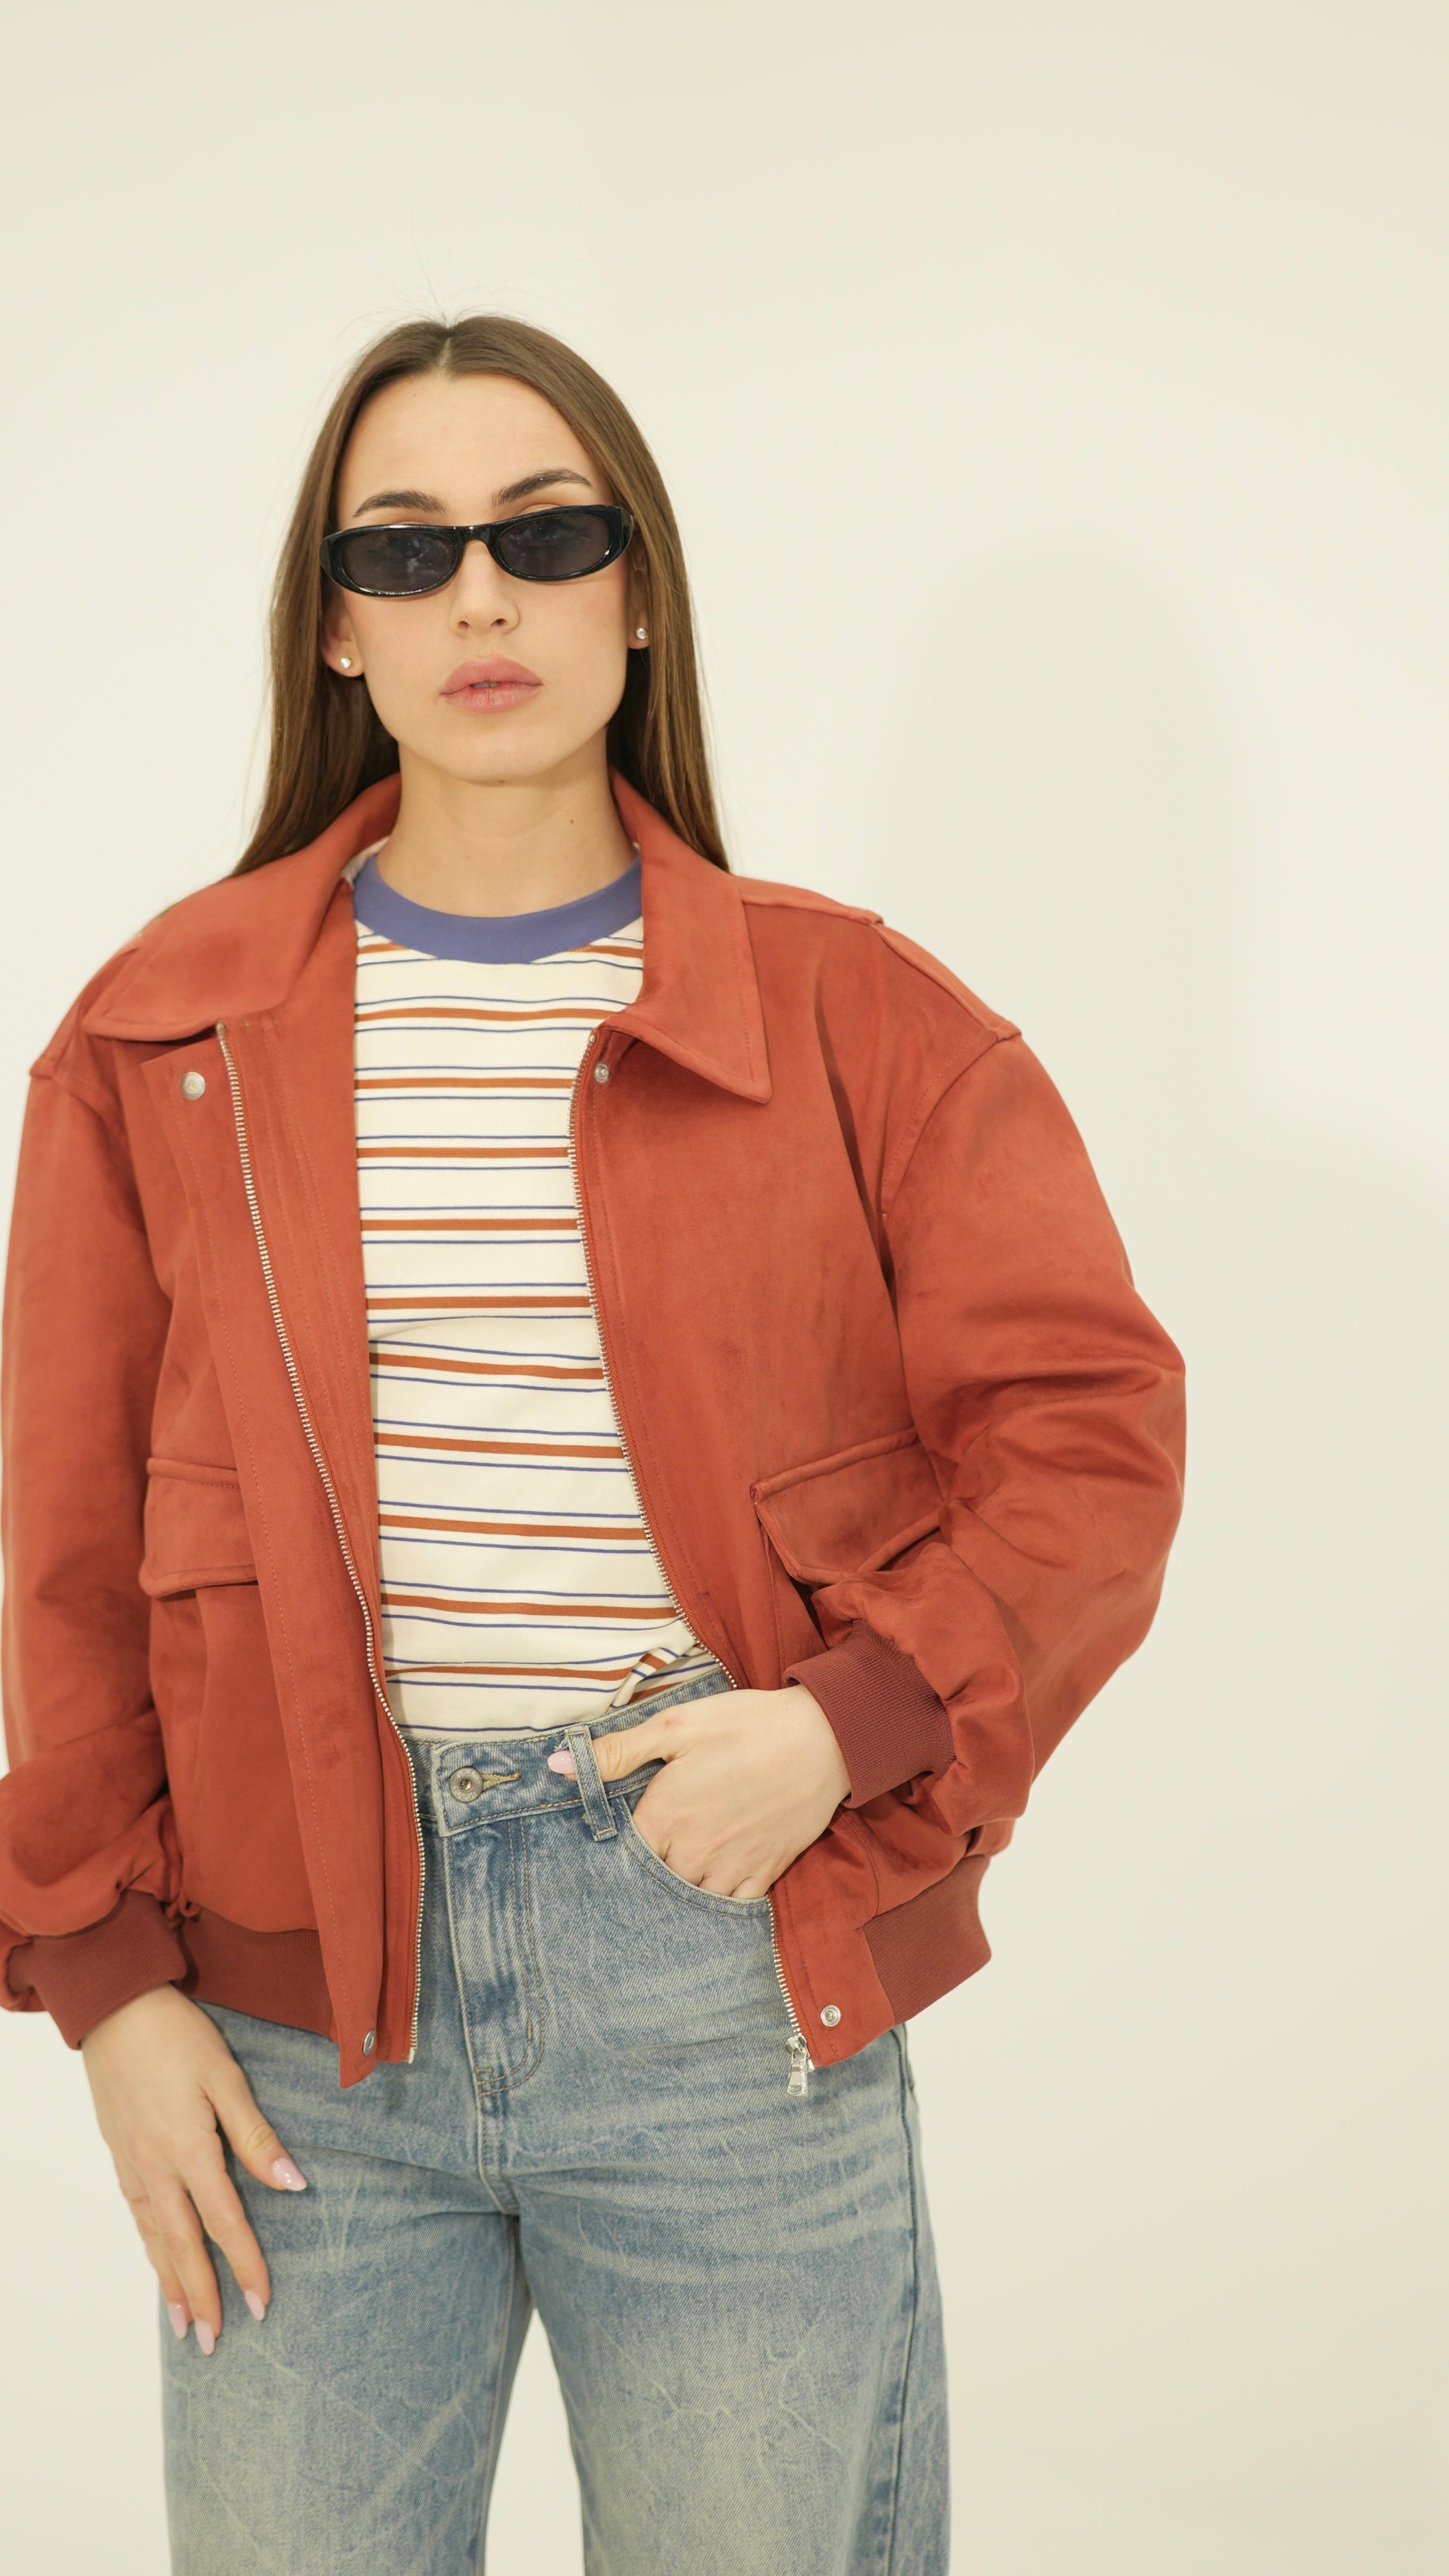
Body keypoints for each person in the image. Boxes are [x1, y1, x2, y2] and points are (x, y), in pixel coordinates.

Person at [0, 313, 1185, 2575]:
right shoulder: (161, 1034)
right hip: (292, 2019)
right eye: (405, 548)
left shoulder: (852, 1012)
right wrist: (108, 1980)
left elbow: (1090, 1430)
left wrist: (848, 1722)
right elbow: (58, 1549)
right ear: (336, 625)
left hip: (720, 1967)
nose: (479, 595)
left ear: (635, 594)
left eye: (545, 536)